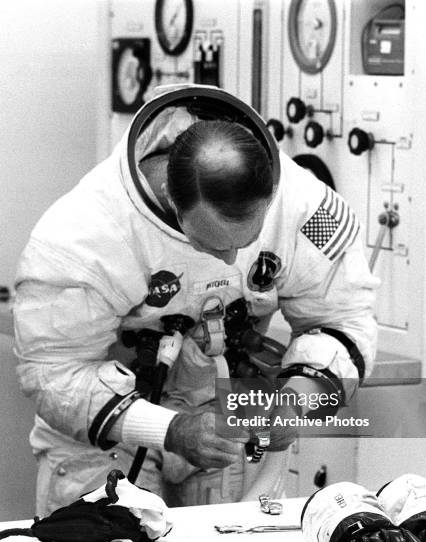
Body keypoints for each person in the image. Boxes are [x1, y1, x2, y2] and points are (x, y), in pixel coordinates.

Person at [14, 85, 379, 515]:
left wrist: (298, 398)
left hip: (225, 420)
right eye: (211, 243)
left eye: (246, 243)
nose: (229, 258)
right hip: (108, 437)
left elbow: (344, 317)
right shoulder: (84, 236)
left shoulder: (305, 209)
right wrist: (170, 429)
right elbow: (53, 370)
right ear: (171, 198)